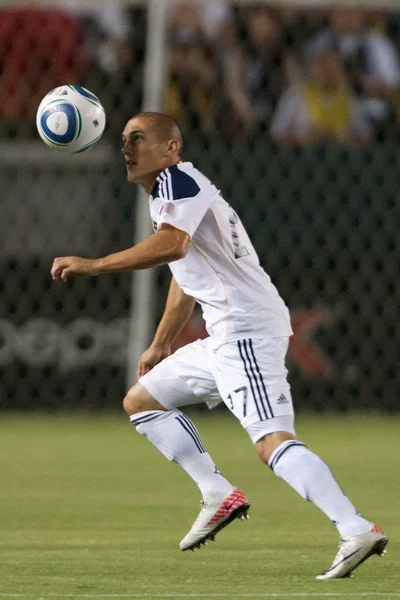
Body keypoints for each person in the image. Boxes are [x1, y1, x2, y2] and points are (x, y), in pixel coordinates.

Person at [51, 112, 388, 580]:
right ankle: (217, 493)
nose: (125, 148)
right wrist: (160, 343)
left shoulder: (175, 183)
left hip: (244, 330)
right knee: (142, 400)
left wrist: (93, 265)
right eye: (123, 139)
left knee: (271, 443)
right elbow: (186, 276)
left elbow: (172, 247)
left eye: (138, 138)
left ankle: (354, 528)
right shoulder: (172, 193)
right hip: (227, 333)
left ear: (171, 148)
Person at [270, 50, 372, 146]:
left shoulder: (348, 98)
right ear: (311, 69)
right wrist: (300, 138)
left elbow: (365, 135)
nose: (325, 72)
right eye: (321, 66)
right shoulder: (295, 95)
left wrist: (340, 137)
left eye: (330, 67)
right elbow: (277, 133)